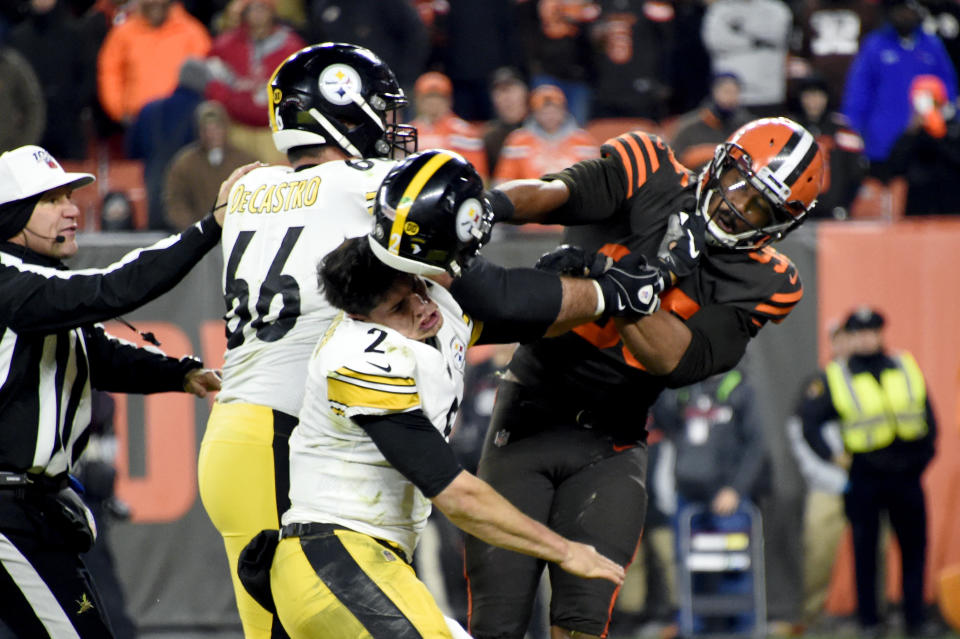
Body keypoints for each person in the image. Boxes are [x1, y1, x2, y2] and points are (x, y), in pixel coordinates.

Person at [262, 148, 657, 637]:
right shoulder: (358, 355)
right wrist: (565, 550)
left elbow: (525, 313)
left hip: (370, 562)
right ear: (363, 317)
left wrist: (592, 283)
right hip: (334, 558)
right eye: (399, 308)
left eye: (416, 290)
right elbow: (457, 495)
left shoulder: (431, 303)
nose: (421, 308)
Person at [460, 116, 825, 639]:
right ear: (722, 163)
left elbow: (679, 361)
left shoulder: (768, 279)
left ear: (780, 223)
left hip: (612, 443)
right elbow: (554, 192)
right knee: (497, 621)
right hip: (528, 418)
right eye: (742, 185)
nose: (739, 207)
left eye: (760, 207)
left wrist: (607, 278)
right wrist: (487, 207)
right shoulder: (650, 167)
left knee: (583, 623)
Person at [196, 42, 418, 639]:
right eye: (378, 107)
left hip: (238, 435)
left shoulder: (246, 189)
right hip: (277, 432)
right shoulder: (363, 183)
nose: (390, 124)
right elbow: (450, 204)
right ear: (340, 108)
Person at [0, 143, 249, 637]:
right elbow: (114, 288)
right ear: (12, 216)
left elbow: (98, 354)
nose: (72, 209)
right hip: (9, 515)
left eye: (70, 195)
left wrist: (179, 374)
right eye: (51, 201)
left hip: (33, 510)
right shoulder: (9, 280)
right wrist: (209, 227)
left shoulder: (39, 282)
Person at [798, 306, 937, 638]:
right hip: (866, 474)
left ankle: (914, 619)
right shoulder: (838, 375)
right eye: (858, 333)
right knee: (865, 550)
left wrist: (923, 457)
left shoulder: (903, 366)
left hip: (907, 473)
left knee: (914, 549)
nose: (866, 339)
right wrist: (833, 457)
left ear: (881, 333)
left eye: (871, 332)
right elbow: (809, 422)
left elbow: (927, 416)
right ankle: (869, 621)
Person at [652, 367, 769, 634]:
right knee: (688, 567)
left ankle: (743, 628)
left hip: (727, 499)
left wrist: (735, 489)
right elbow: (664, 422)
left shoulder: (740, 390)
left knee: (735, 564)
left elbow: (756, 446)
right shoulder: (683, 390)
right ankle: (693, 626)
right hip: (688, 497)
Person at [842, 0, 958, 179]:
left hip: (927, 143)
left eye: (909, 9)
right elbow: (858, 93)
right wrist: (853, 132)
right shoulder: (874, 45)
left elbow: (948, 88)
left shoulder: (932, 45)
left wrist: (943, 118)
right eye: (900, 8)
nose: (905, 14)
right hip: (882, 144)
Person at [788, 320, 854, 629]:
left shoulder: (876, 378)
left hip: (870, 481)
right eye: (841, 339)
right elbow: (800, 432)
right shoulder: (821, 382)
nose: (848, 346)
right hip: (828, 484)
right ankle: (811, 615)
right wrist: (826, 470)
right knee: (817, 549)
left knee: (875, 548)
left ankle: (874, 613)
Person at [205, 0, 305, 164]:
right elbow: (213, 84)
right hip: (236, 129)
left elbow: (299, 89)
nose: (258, 14)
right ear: (243, 13)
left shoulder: (291, 46)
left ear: (272, 11)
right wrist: (238, 104)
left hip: (274, 131)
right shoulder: (224, 46)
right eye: (252, 8)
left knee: (277, 179)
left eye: (262, 8)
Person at [97, 0, 211, 126]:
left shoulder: (191, 32)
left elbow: (204, 74)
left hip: (184, 121)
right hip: (137, 121)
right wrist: (118, 110)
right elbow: (110, 72)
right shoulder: (122, 34)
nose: (155, 5)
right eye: (150, 2)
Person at [164, 100, 257, 230]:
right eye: (206, 129)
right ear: (199, 131)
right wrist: (196, 230)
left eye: (217, 128)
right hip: (199, 237)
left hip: (237, 233)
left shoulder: (245, 161)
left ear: (226, 129)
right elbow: (175, 201)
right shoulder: (184, 164)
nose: (212, 135)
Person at [789, 73, 867, 220]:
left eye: (818, 96)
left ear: (826, 98)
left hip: (833, 209)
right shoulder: (790, 130)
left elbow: (856, 171)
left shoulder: (842, 129)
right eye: (809, 96)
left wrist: (844, 205)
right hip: (797, 210)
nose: (814, 102)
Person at [492, 84, 599, 185]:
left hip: (574, 199)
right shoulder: (518, 140)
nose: (549, 116)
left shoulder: (584, 140)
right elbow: (503, 181)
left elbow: (595, 179)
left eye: (554, 110)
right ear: (535, 113)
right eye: (544, 112)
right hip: (530, 200)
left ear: (563, 111)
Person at [701, 0, 793, 116]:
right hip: (731, 97)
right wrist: (756, 42)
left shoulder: (776, 9)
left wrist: (739, 29)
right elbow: (716, 40)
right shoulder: (719, 10)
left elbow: (777, 33)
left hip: (768, 94)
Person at [887, 74, 960, 215]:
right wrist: (912, 133)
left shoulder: (953, 128)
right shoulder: (913, 132)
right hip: (919, 205)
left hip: (950, 204)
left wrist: (939, 134)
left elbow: (955, 160)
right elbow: (895, 166)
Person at [408, 71, 489, 181]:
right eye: (428, 97)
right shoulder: (407, 132)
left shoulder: (466, 133)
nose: (433, 103)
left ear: (449, 100)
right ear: (418, 101)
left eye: (438, 97)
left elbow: (478, 176)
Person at [670, 72, 753, 171]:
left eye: (735, 92)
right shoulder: (689, 126)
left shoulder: (747, 127)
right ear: (714, 92)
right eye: (726, 91)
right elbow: (673, 162)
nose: (731, 97)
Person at [482, 67, 530, 178]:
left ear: (525, 93)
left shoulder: (541, 129)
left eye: (511, 89)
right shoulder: (489, 137)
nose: (507, 98)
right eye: (500, 91)